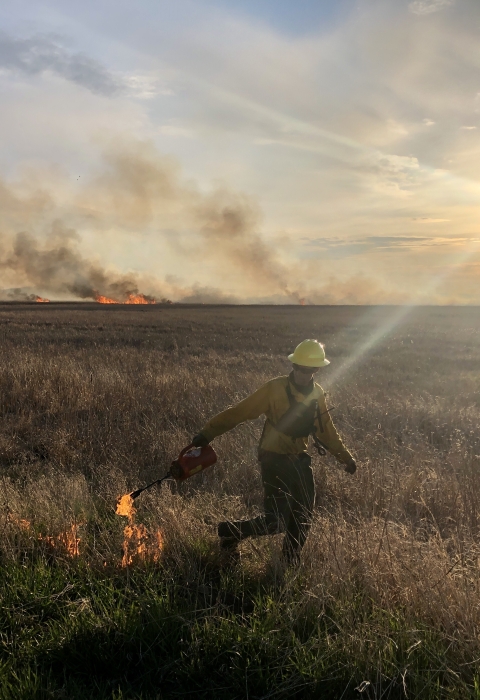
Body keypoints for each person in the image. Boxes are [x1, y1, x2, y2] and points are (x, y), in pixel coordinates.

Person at [190, 339, 357, 565]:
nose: (304, 374)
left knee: (304, 516)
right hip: (273, 457)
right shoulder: (274, 388)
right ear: (294, 366)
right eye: (300, 368)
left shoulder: (317, 394)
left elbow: (327, 431)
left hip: (300, 459)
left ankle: (289, 562)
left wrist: (346, 458)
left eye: (310, 369)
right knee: (276, 521)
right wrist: (208, 433)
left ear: (317, 369)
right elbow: (241, 412)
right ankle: (230, 532)